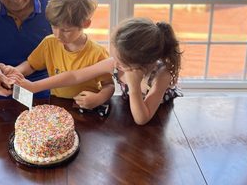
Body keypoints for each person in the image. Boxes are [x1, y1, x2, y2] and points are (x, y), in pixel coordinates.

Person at [16, 17, 182, 125]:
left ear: (141, 65)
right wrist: (34, 86)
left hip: (158, 119)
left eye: (120, 61)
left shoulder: (162, 75)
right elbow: (75, 76)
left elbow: (142, 118)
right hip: (126, 113)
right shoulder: (117, 63)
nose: (114, 62)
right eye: (114, 56)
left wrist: (133, 85)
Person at [14, 0, 115, 108]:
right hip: (56, 103)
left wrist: (99, 98)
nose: (57, 35)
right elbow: (31, 65)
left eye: (66, 30)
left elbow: (109, 85)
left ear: (86, 24)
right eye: (53, 26)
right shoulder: (49, 43)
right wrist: (15, 73)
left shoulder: (98, 53)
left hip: (86, 108)